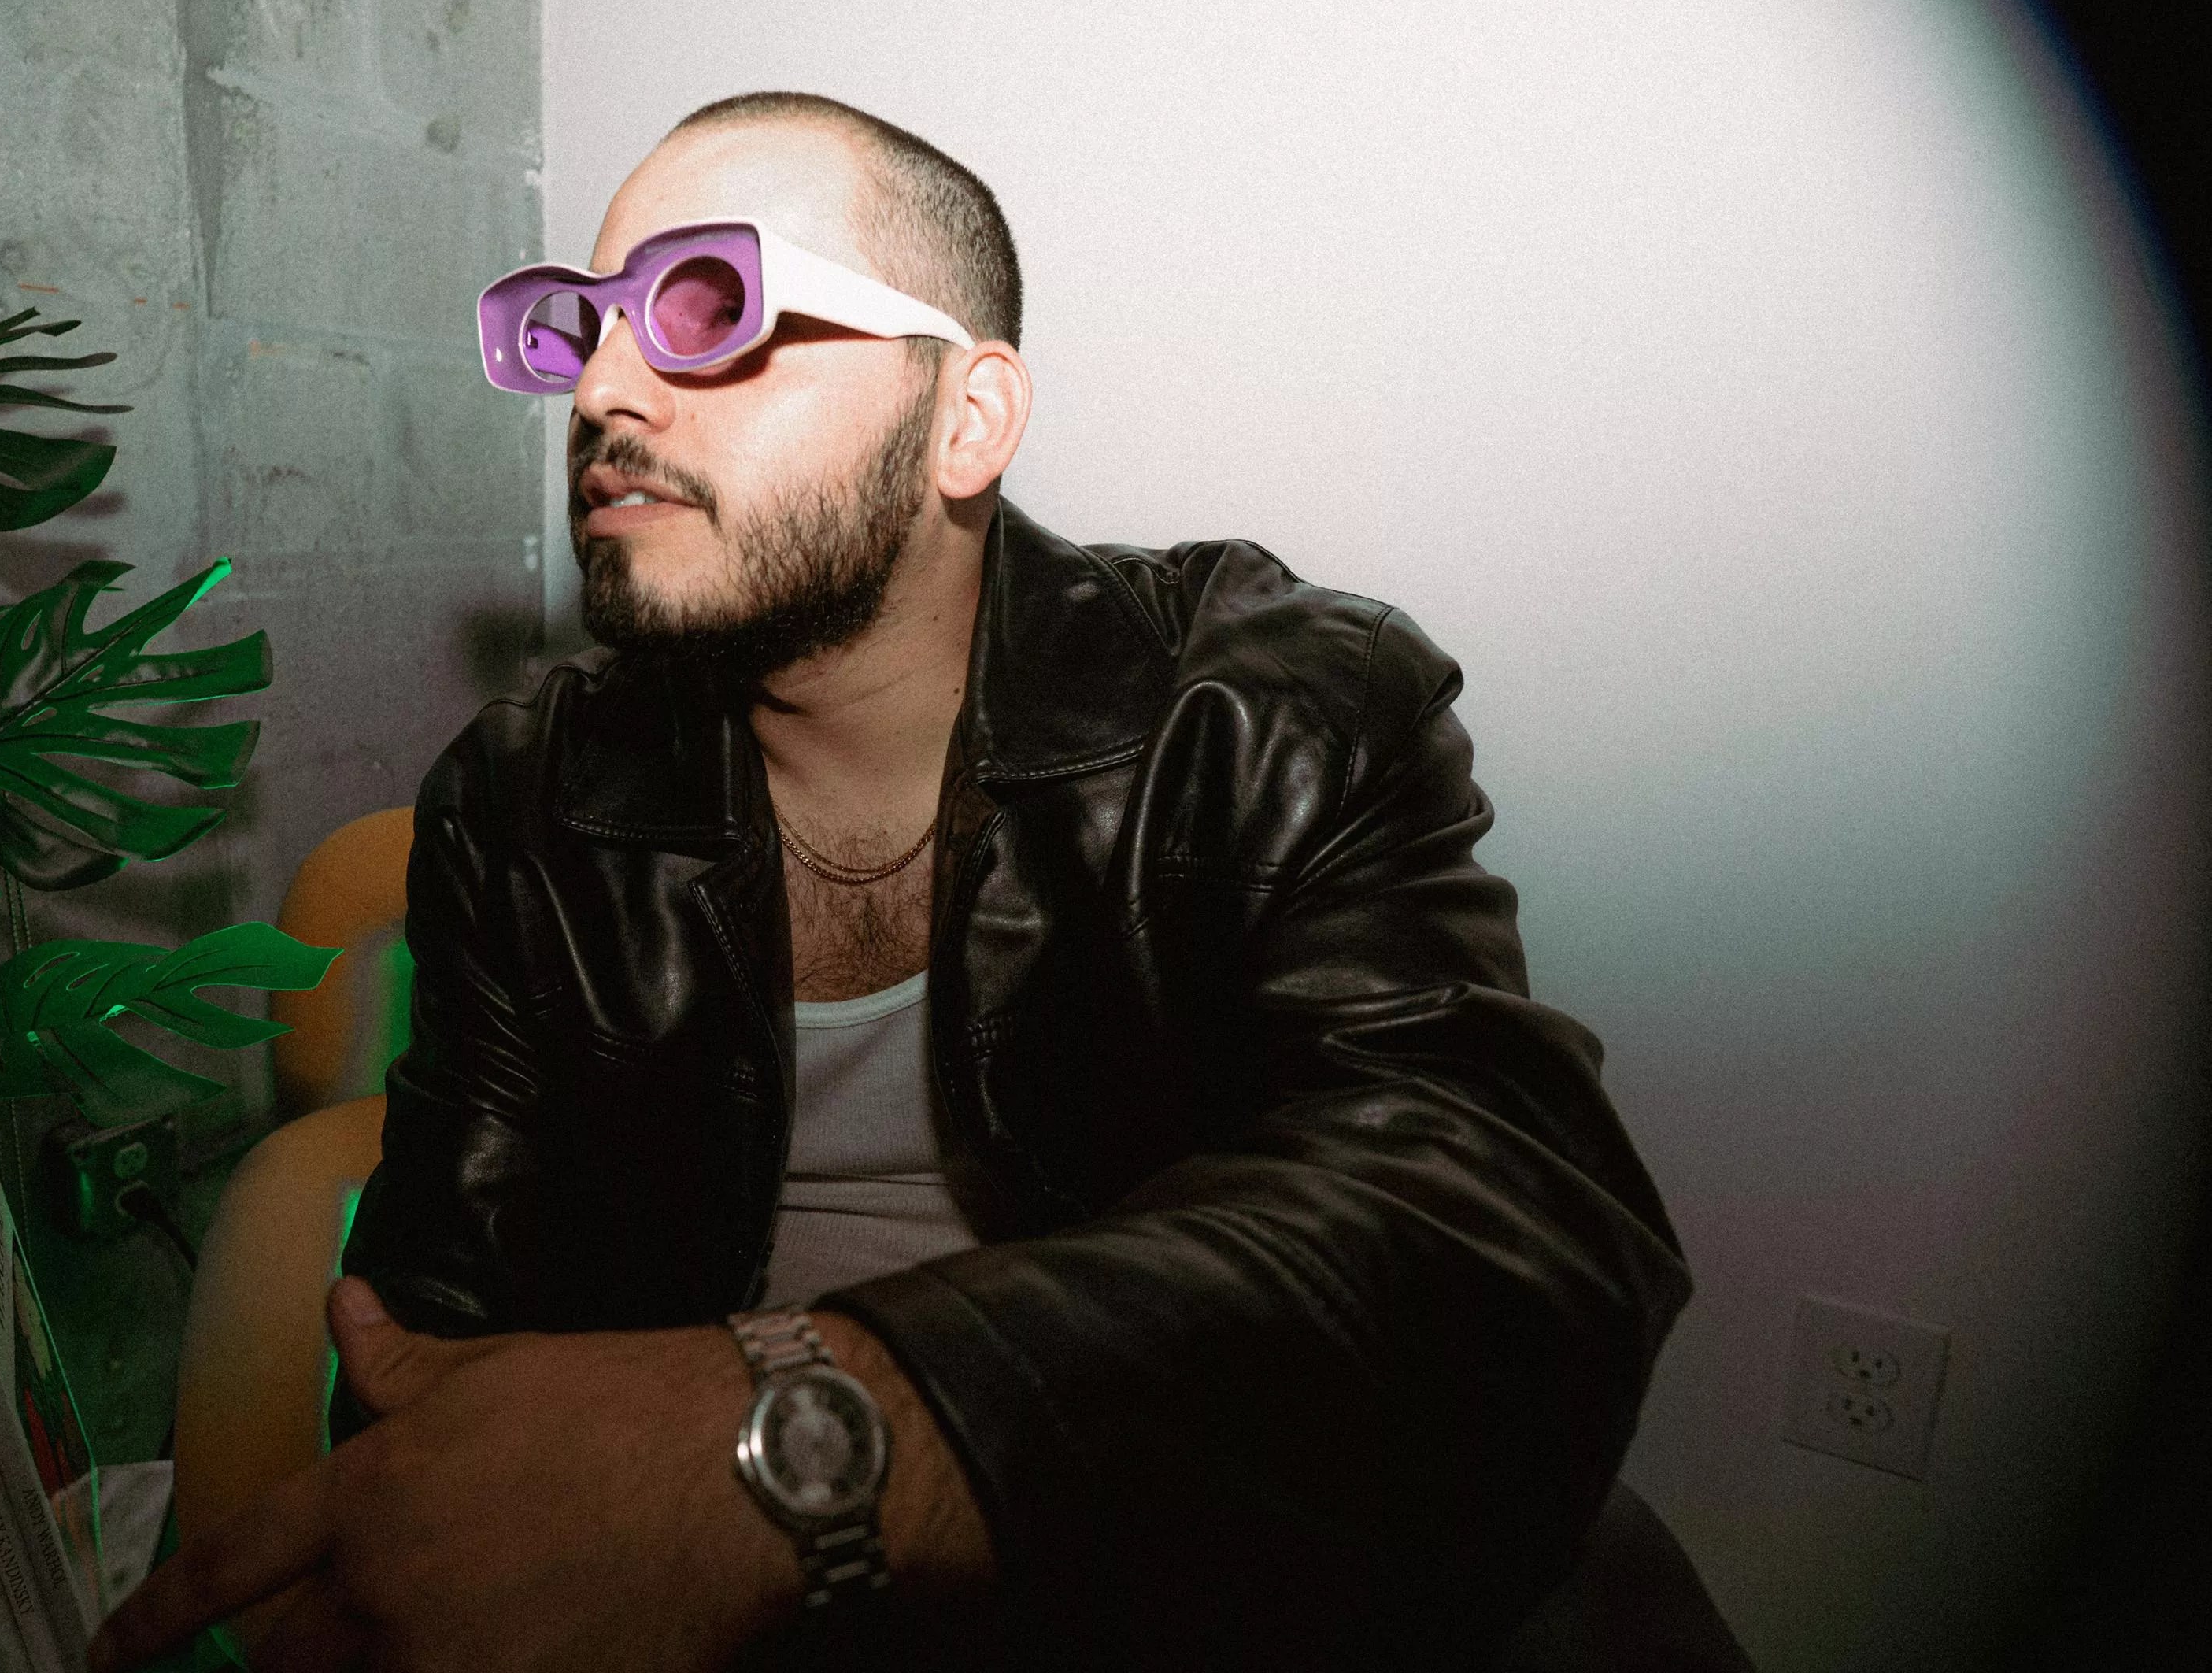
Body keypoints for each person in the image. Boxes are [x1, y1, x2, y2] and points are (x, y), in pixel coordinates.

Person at [96, 91, 1689, 1672]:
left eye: (707, 308)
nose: (604, 390)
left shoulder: (1266, 713)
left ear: (967, 419)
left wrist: (816, 1437)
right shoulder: (526, 798)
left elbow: (1489, 1228)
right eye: (578, 326)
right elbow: (448, 1318)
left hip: (1157, 1553)